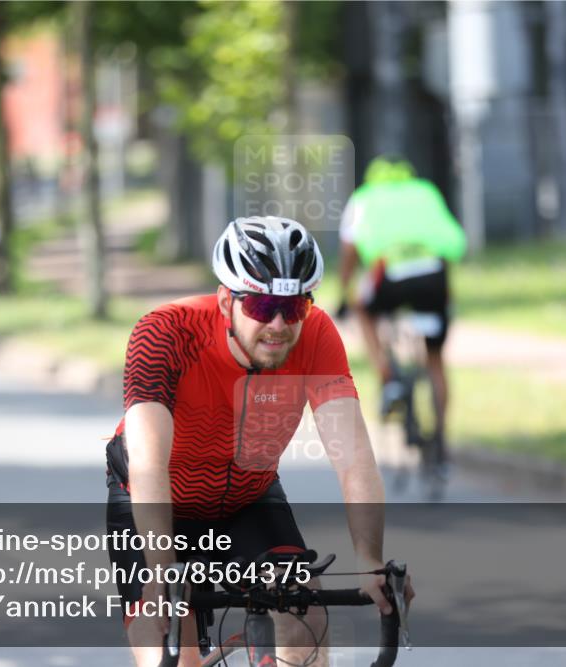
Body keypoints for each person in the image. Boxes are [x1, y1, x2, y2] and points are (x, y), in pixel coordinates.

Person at [106, 216, 413, 667]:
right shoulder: (165, 333)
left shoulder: (318, 335)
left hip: (248, 498)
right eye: (262, 305)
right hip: (155, 500)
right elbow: (150, 465)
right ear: (226, 299)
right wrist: (160, 573)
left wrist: (370, 560)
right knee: (169, 646)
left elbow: (354, 461)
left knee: (304, 613)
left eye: (293, 308)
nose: (278, 324)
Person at [337, 155, 466, 477]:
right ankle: (441, 442)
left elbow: (350, 253)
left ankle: (387, 374)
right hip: (434, 274)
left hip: (389, 275)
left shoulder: (363, 198)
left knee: (362, 309)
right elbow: (447, 239)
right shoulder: (425, 192)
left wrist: (344, 293)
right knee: (435, 361)